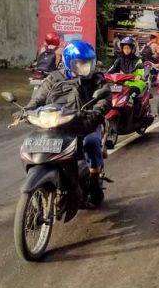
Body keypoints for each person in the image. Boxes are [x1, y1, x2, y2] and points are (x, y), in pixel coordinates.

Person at [24, 40, 111, 205]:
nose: (87, 68)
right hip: (58, 124)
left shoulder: (96, 78)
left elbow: (105, 99)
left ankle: (93, 183)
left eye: (89, 63)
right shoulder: (54, 78)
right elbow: (38, 99)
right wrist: (25, 111)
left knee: (91, 143)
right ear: (69, 63)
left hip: (86, 123)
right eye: (82, 64)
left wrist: (96, 112)